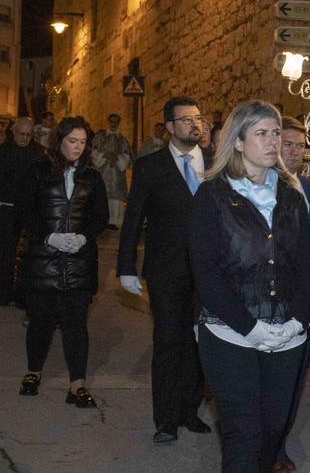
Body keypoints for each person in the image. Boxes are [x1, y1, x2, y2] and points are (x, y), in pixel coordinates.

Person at [188, 100, 310, 472]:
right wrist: (250, 327)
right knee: (242, 434)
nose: (273, 141)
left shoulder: (292, 197)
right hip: (230, 334)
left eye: (276, 133)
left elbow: (308, 269)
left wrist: (298, 320)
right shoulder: (212, 197)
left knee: (272, 431)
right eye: (261, 133)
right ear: (239, 142)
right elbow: (206, 274)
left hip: (288, 335)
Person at [117, 97, 211, 443]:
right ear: (170, 127)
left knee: (202, 343)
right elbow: (133, 219)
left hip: (209, 273)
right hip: (166, 272)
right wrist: (126, 267)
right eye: (186, 120)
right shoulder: (150, 166)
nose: (194, 124)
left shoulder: (217, 164)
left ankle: (191, 410)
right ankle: (167, 419)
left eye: (198, 118)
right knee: (170, 341)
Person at [16, 116, 109, 407]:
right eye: (72, 141)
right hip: (42, 262)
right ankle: (33, 372)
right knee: (41, 321)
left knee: (75, 323)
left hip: (79, 264)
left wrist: (83, 237)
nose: (78, 147)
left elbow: (100, 216)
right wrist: (48, 237)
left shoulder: (92, 176)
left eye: (83, 142)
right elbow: (24, 212)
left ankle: (77, 385)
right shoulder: (38, 171)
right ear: (59, 141)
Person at [274, 116, 310, 471]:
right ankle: (268, 449)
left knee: (296, 378)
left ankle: (278, 444)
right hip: (273, 296)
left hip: (307, 299)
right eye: (288, 145)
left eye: (300, 146)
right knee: (273, 381)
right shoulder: (263, 185)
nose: (295, 152)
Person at [0, 117, 45, 305]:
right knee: (3, 253)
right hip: (5, 210)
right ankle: (0, 292)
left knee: (28, 255)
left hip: (29, 212)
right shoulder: (1, 152)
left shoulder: (39, 153)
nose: (25, 138)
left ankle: (24, 296)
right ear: (13, 133)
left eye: (29, 135)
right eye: (21, 134)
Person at [91, 113, 133, 228]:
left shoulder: (122, 139)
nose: (114, 124)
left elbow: (127, 154)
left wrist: (118, 158)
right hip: (103, 171)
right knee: (103, 194)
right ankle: (102, 220)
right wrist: (104, 155)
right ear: (108, 122)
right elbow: (93, 152)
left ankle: (114, 221)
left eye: (116, 122)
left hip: (117, 172)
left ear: (118, 123)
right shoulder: (100, 137)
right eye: (112, 121)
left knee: (116, 197)